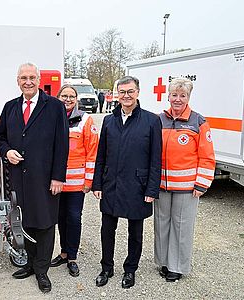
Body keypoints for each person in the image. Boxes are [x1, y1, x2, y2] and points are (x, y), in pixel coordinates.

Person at [0, 63, 69, 294]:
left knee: (45, 223)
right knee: (24, 222)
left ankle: (42, 270)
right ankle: (29, 263)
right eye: (23, 78)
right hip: (19, 177)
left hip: (45, 177)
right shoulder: (10, 107)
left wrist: (58, 177)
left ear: (39, 80)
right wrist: (6, 151)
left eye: (32, 77)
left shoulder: (55, 106)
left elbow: (62, 144)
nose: (28, 82)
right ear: (18, 81)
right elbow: (0, 137)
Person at [92, 76, 162, 289]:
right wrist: (97, 184)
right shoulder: (109, 120)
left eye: (130, 91)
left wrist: (152, 188)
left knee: (135, 232)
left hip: (137, 186)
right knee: (107, 229)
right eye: (122, 92)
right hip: (111, 183)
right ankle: (107, 267)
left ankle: (130, 270)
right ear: (117, 94)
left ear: (138, 92)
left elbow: (156, 158)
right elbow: (101, 154)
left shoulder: (151, 121)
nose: (126, 95)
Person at [154, 78, 215, 282]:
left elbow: (207, 156)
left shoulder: (198, 122)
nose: (178, 99)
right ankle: (163, 261)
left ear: (188, 97)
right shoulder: (159, 120)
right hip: (161, 185)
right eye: (174, 95)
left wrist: (202, 183)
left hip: (187, 187)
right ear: (168, 96)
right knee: (161, 223)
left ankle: (177, 266)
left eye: (183, 95)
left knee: (182, 225)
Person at [50, 84, 99, 277]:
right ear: (58, 97)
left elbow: (92, 152)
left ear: (76, 99)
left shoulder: (85, 120)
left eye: (71, 96)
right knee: (60, 219)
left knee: (73, 218)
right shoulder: (52, 118)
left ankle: (72, 257)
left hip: (77, 183)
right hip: (57, 182)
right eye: (64, 96)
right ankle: (63, 252)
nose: (68, 99)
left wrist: (89, 181)